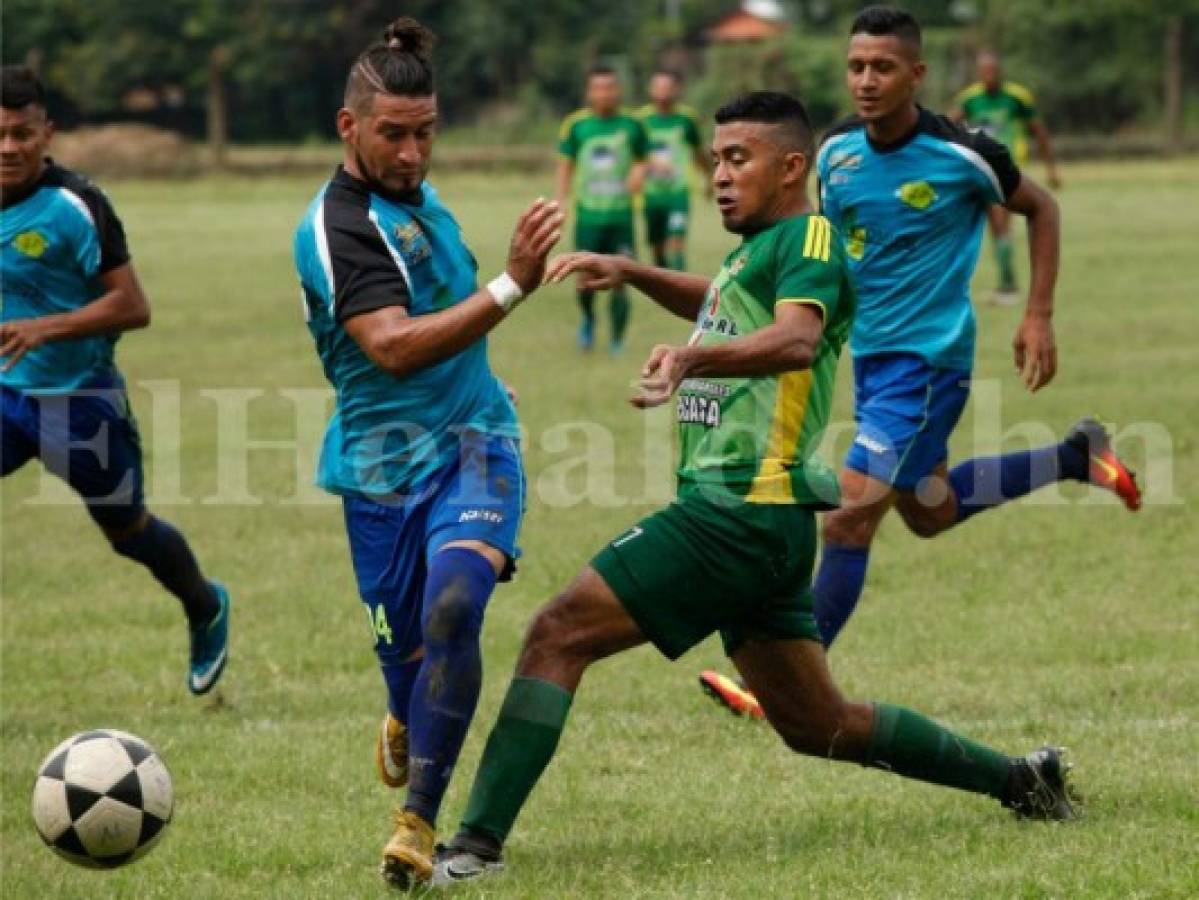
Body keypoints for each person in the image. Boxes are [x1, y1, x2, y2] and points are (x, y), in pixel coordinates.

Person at [431, 90, 1075, 887]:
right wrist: (631, 270)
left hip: (736, 509)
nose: (719, 177)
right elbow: (723, 300)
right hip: (763, 525)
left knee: (556, 634)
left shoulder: (807, 235)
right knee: (818, 724)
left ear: (792, 166)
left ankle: (475, 846)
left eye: (738, 160)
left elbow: (798, 340)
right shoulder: (764, 248)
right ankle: (1022, 779)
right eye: (714, 162)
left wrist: (689, 359)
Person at [698, 6, 1139, 721]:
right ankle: (1073, 456)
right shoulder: (836, 151)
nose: (865, 81)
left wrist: (1037, 313)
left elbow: (1042, 207)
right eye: (854, 67)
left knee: (845, 516)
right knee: (929, 511)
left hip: (927, 363)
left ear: (916, 74)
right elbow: (826, 246)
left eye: (881, 67)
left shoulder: (963, 153)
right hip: (869, 357)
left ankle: (777, 688)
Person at [291, 18, 563, 890]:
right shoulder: (336, 226)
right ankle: (403, 708)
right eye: (393, 135)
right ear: (348, 127)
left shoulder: (424, 201)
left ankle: (417, 823)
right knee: (407, 658)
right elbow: (396, 348)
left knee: (455, 605)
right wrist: (512, 282)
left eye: (425, 132)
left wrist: (487, 382)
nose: (413, 153)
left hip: (477, 445)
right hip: (376, 472)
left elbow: (448, 325)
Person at [0, 65, 230, 695]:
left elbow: (133, 306)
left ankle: (204, 605)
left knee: (127, 531)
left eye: (22, 133)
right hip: (5, 392)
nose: (8, 147)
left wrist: (44, 328)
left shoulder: (77, 206)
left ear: (47, 133)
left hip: (80, 400)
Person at [954, 51, 1063, 304]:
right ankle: (1006, 283)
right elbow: (948, 124)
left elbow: (1039, 132)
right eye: (985, 72)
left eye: (993, 71)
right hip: (980, 168)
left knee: (1001, 221)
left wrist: (1051, 168)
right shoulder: (970, 98)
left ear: (1000, 72)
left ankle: (1008, 287)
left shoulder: (1016, 97)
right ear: (980, 74)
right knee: (994, 226)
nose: (989, 76)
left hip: (1009, 167)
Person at [556, 65, 648, 353]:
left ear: (618, 90)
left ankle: (617, 340)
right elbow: (566, 165)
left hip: (621, 215)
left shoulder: (632, 125)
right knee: (584, 278)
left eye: (610, 87)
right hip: (588, 216)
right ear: (589, 92)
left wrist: (638, 172)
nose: (605, 93)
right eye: (599, 88)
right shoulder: (576, 126)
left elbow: (643, 158)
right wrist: (562, 200)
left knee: (621, 276)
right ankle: (588, 319)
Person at [636, 69, 710, 271]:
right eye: (659, 87)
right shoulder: (640, 120)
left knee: (676, 243)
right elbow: (634, 157)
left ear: (676, 89)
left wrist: (709, 178)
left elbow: (698, 152)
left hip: (678, 192)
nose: (663, 92)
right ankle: (665, 285)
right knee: (657, 248)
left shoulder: (687, 119)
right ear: (650, 90)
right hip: (651, 195)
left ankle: (681, 293)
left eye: (668, 87)